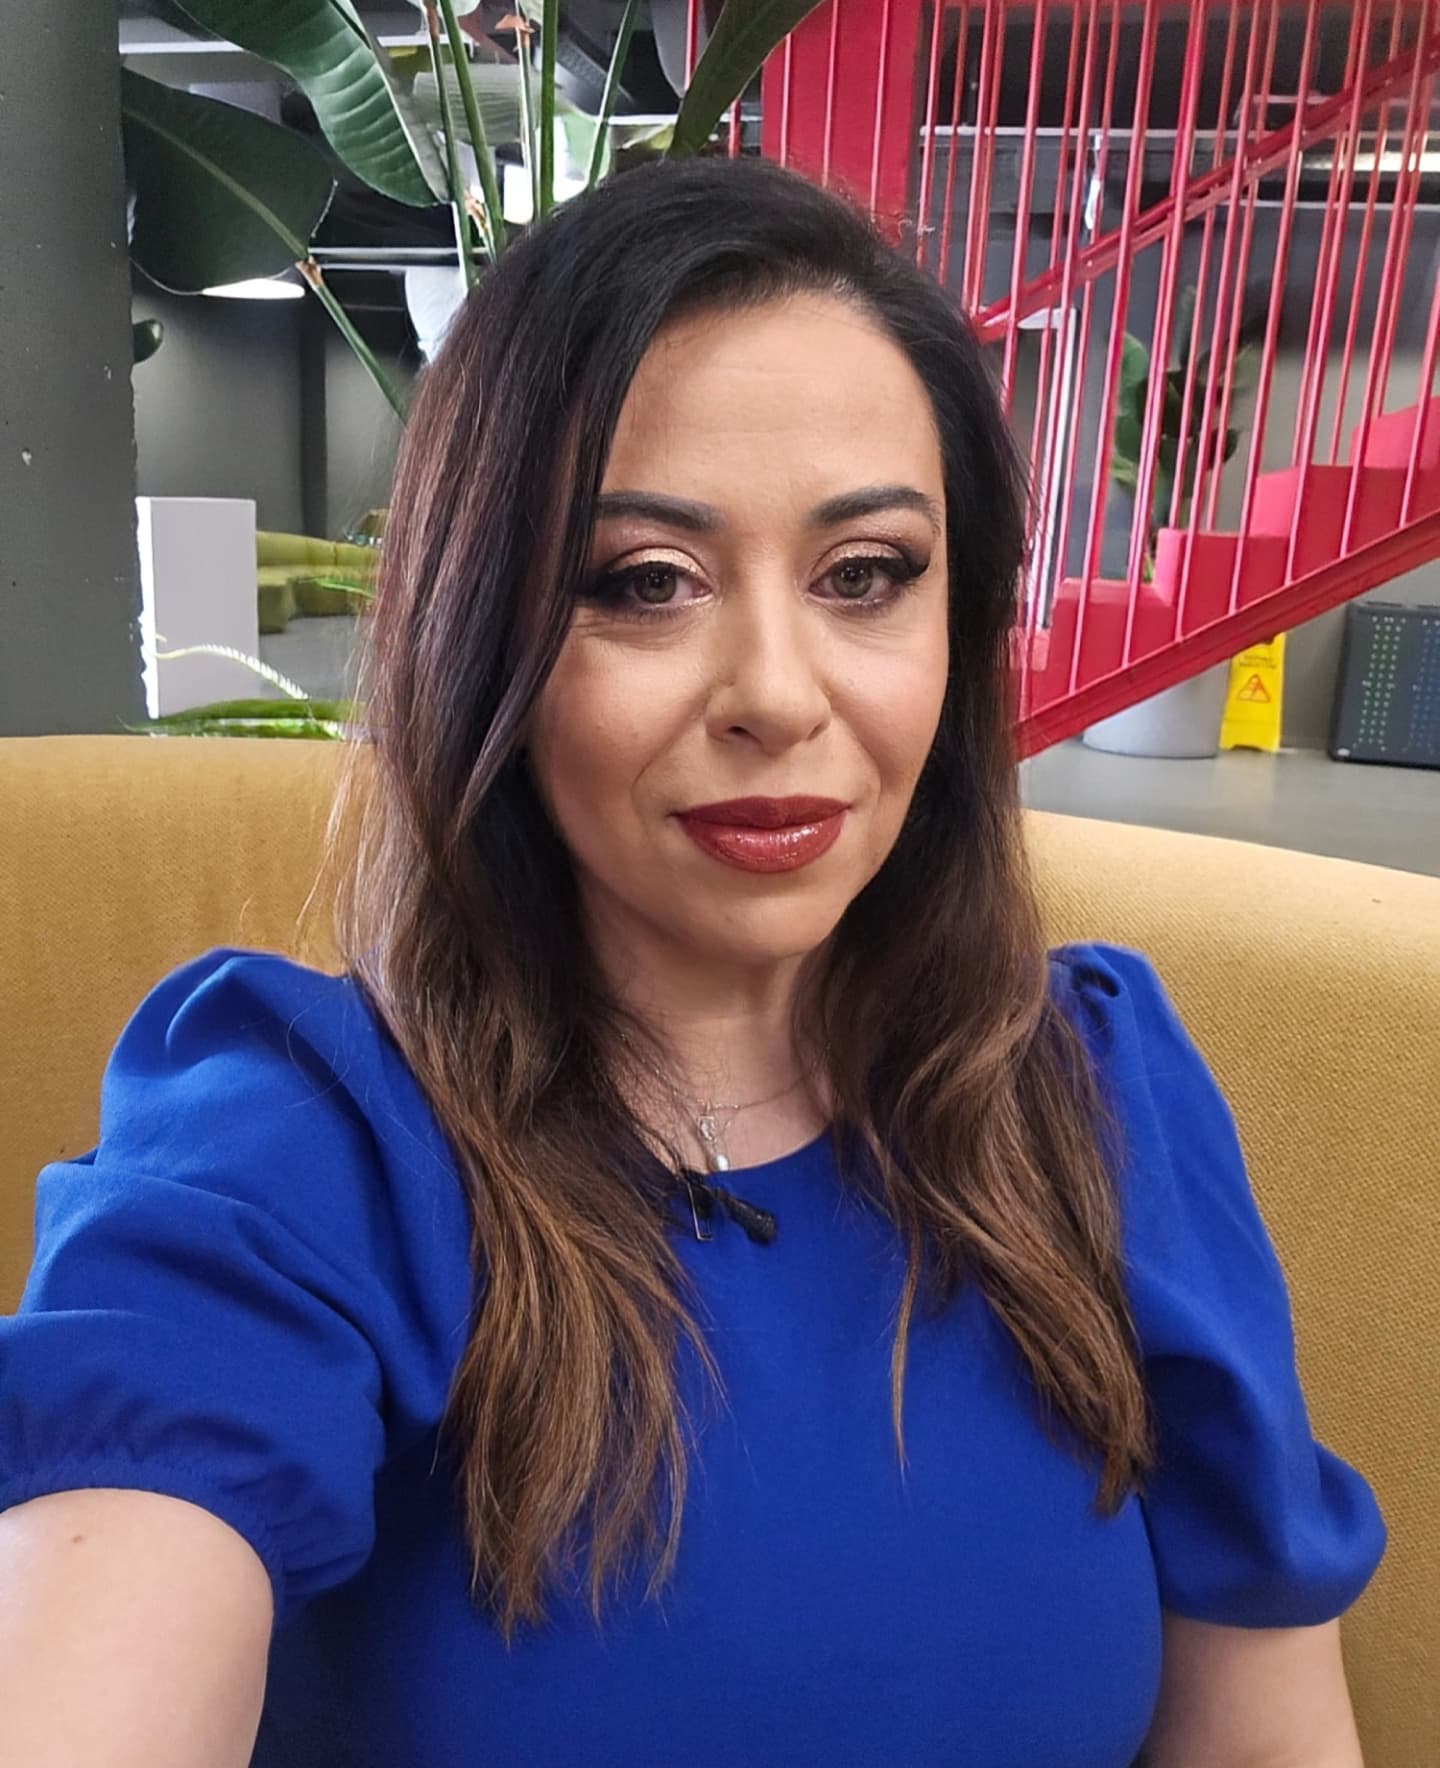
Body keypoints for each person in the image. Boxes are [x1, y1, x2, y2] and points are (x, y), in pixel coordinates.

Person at [0, 156, 1385, 1768]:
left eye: (866, 576)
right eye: (644, 584)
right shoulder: (301, 1147)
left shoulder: (1102, 1096)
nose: (778, 695)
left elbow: (1267, 1734)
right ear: (483, 633)